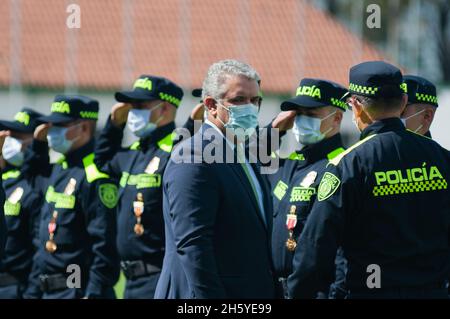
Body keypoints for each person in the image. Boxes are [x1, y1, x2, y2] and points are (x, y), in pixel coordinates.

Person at [288, 61, 450, 299]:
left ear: (355, 105)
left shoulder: (347, 164)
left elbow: (316, 244)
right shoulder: (442, 158)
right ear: (403, 101)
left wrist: (298, 293)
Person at [154, 59, 276, 299]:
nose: (250, 108)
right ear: (211, 105)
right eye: (240, 100)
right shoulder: (194, 157)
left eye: (256, 100)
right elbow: (194, 246)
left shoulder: (245, 154)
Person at [94, 75, 186, 299]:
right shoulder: (134, 152)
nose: (132, 112)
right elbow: (102, 161)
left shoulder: (176, 150)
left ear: (164, 108)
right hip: (131, 281)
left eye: (140, 106)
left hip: (159, 276)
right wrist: (114, 125)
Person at [26, 95, 119, 299]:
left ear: (84, 128)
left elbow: (104, 243)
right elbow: (32, 178)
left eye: (60, 125)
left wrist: (93, 292)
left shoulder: (95, 175)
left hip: (77, 289)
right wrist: (38, 145)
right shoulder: (59, 168)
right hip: (48, 290)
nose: (53, 131)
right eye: (51, 125)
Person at [269, 79, 348, 299]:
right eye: (298, 113)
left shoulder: (342, 166)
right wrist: (274, 130)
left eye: (311, 114)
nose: (301, 121)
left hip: (317, 291)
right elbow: (244, 161)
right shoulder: (290, 164)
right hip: (275, 290)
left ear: (337, 118)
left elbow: (343, 247)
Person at [0, 109, 43, 298]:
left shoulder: (37, 186)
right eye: (9, 135)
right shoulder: (6, 180)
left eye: (17, 136)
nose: (9, 141)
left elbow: (40, 250)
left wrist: (32, 293)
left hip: (17, 288)